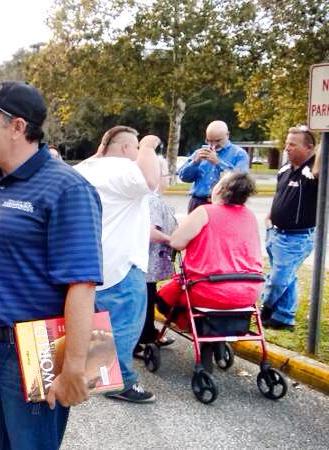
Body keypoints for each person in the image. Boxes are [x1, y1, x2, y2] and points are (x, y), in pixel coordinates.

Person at [0, 81, 103, 449]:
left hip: (37, 345)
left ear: (18, 127)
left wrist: (73, 365)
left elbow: (82, 284)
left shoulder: (68, 188)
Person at [75, 125, 161, 403]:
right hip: (122, 263)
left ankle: (97, 374)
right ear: (126, 149)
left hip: (88, 260)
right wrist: (149, 145)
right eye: (135, 148)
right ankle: (119, 382)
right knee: (123, 324)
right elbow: (150, 180)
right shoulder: (123, 169)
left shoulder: (85, 170)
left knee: (96, 322)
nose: (138, 154)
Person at [157, 172, 263, 370]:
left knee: (165, 300)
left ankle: (207, 341)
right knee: (205, 303)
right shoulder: (248, 215)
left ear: (221, 190)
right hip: (249, 290)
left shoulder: (205, 211)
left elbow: (177, 242)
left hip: (210, 289)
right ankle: (217, 341)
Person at [261, 125, 321, 330]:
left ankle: (266, 307)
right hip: (275, 232)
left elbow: (319, 166)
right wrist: (269, 219)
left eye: (292, 145)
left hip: (297, 237)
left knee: (279, 279)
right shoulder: (285, 169)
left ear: (309, 148)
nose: (287, 148)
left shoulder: (313, 170)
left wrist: (324, 133)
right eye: (286, 144)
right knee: (288, 276)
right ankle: (284, 317)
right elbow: (280, 196)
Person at [135, 156, 177, 356]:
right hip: (146, 261)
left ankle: (148, 334)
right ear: (158, 176)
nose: (169, 179)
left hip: (148, 262)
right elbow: (150, 232)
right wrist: (172, 240)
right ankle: (141, 341)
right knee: (145, 299)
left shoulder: (151, 198)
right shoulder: (152, 200)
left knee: (148, 298)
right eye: (167, 174)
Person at [177, 120, 250, 212]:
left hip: (225, 204)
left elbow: (241, 182)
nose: (213, 145)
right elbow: (184, 177)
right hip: (199, 202)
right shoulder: (199, 152)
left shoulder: (239, 154)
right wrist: (195, 162)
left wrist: (218, 162)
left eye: (218, 140)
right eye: (209, 141)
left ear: (227, 135)